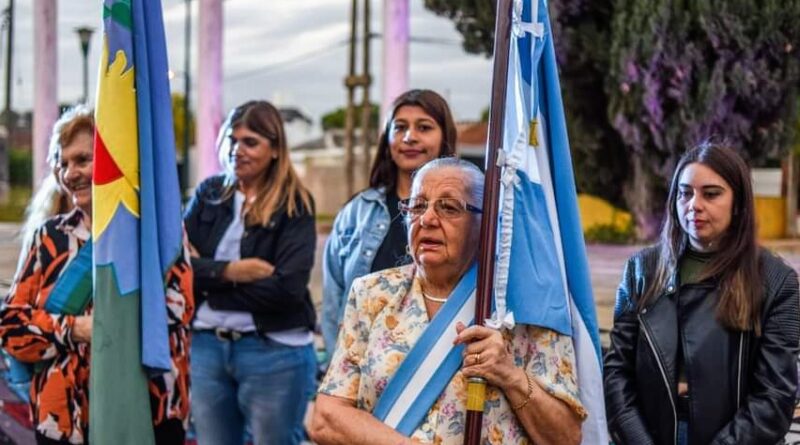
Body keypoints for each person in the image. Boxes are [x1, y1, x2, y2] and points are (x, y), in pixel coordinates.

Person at [311, 158, 586, 445]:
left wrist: (510, 375)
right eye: (417, 206)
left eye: (449, 207)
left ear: (487, 223)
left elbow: (566, 437)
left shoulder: (528, 304)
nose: (427, 219)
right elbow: (326, 419)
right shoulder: (372, 293)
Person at [0, 106, 194, 444]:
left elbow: (177, 312)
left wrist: (85, 326)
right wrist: (75, 328)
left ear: (115, 162)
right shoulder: (49, 237)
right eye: (62, 163)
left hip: (147, 416)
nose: (70, 173)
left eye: (82, 160)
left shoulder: (157, 233)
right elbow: (11, 326)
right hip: (64, 419)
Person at [604, 142, 800, 444]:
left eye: (711, 194)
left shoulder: (777, 282)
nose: (694, 205)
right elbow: (617, 373)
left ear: (738, 203)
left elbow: (774, 398)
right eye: (685, 193)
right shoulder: (642, 270)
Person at [184, 100, 317, 445]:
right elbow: (177, 267)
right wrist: (232, 271)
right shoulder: (209, 194)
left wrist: (207, 281)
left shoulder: (294, 204)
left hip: (274, 353)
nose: (237, 150)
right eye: (232, 140)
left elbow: (287, 290)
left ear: (275, 149)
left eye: (250, 142)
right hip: (207, 348)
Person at [321, 89, 458, 360]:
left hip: (440, 365)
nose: (409, 137)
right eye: (400, 127)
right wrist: (341, 365)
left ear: (445, 136)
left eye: (424, 127)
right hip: (363, 365)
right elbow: (333, 300)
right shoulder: (357, 212)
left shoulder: (470, 212)